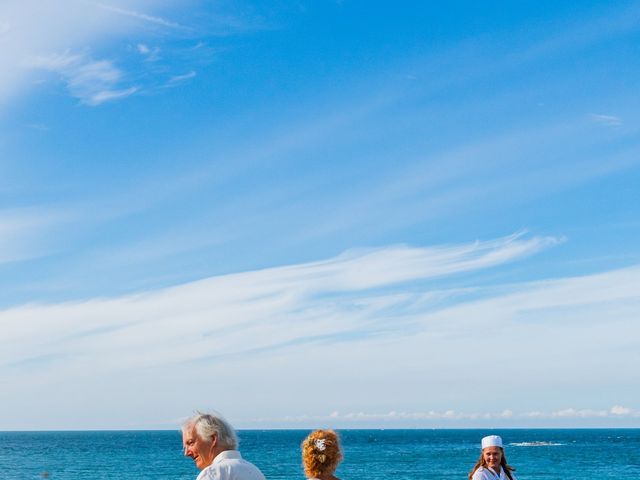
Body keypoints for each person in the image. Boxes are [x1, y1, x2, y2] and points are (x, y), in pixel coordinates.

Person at [182, 412, 266, 480]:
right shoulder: (255, 472)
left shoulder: (213, 474)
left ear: (212, 439)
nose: (186, 453)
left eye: (191, 443)